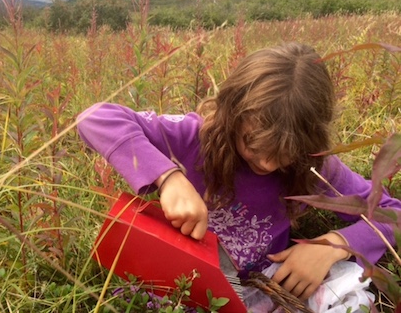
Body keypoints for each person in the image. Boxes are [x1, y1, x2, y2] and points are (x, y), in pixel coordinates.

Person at [76, 42, 401, 305]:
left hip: (253, 288)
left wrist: (332, 246)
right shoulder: (193, 137)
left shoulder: (315, 167)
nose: (268, 165)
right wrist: (169, 177)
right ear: (231, 112)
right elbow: (95, 118)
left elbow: (392, 214)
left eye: (284, 154)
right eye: (252, 144)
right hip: (166, 285)